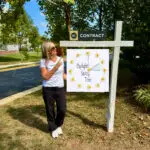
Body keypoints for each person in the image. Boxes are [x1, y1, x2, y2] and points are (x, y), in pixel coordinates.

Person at [40, 41, 66, 138]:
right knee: (50, 110)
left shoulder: (60, 59)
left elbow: (62, 75)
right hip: (48, 89)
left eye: (55, 47)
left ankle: (58, 124)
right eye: (52, 48)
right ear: (47, 51)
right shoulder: (43, 61)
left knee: (62, 109)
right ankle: (53, 128)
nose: (55, 49)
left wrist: (74, 78)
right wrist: (55, 67)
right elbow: (45, 77)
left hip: (60, 88)